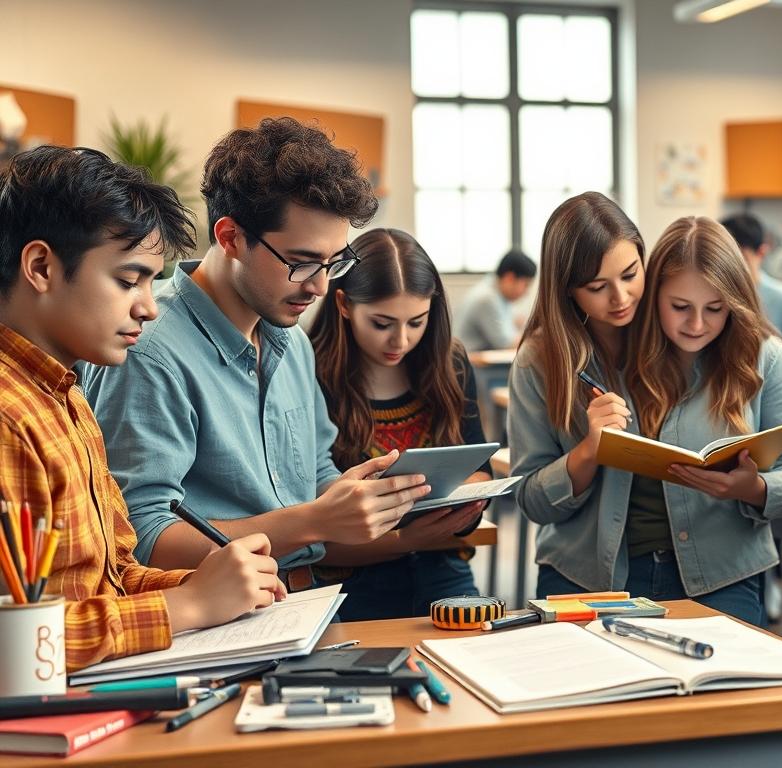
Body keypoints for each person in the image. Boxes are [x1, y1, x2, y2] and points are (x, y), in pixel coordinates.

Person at [83, 117, 432, 594]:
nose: (319, 285)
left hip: (307, 604)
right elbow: (139, 539)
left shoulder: (292, 342)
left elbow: (313, 475)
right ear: (230, 238)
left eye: (334, 263)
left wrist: (359, 500)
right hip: (212, 626)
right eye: (302, 262)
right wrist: (313, 521)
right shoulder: (150, 349)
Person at [0, 146, 282, 671]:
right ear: (40, 266)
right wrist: (188, 604)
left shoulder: (64, 395)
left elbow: (112, 577)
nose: (149, 307)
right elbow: (13, 644)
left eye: (153, 282)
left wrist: (207, 584)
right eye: (128, 281)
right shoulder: (9, 419)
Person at [618, 216, 782, 625]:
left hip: (725, 573)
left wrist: (758, 488)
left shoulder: (766, 356)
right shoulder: (618, 354)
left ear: (736, 299)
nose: (696, 325)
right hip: (623, 573)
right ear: (654, 294)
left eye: (714, 308)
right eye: (679, 307)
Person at [307, 228, 490, 619]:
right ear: (342, 304)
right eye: (382, 323)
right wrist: (407, 538)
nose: (401, 340)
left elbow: (480, 467)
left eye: (416, 322)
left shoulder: (450, 365)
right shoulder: (310, 372)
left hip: (442, 562)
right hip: (347, 579)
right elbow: (312, 530)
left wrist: (467, 497)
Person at [507, 192, 647, 602]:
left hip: (679, 565)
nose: (620, 298)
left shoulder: (675, 330)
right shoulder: (538, 359)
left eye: (631, 274)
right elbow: (531, 499)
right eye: (597, 286)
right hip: (583, 570)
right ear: (567, 290)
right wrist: (589, 450)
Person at [720, 213, 782, 363]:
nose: (733, 269)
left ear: (762, 252)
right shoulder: (712, 298)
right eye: (725, 261)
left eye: (741, 260)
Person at [456, 249, 536, 352]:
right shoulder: (487, 299)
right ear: (510, 278)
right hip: (473, 364)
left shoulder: (495, 291)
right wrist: (536, 335)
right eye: (526, 285)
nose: (526, 292)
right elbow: (506, 343)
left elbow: (510, 327)